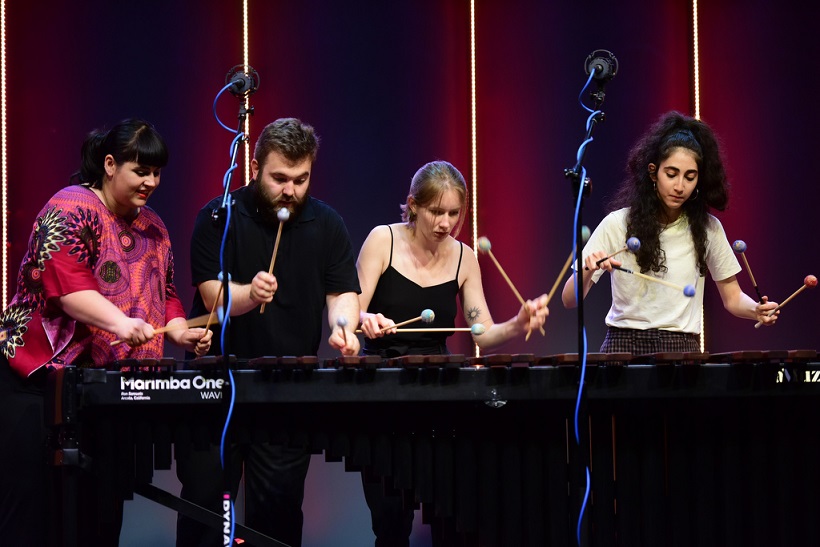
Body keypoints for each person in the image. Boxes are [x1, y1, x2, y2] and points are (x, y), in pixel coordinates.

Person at [0, 118, 212, 547]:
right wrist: (120, 323)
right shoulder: (70, 207)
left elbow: (165, 292)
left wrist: (178, 331)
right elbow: (66, 287)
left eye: (157, 173)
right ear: (110, 164)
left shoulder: (153, 227)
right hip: (37, 384)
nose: (151, 182)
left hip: (103, 394)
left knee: (99, 521)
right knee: (33, 519)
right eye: (141, 171)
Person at [176, 117, 361, 547]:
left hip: (285, 390)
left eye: (301, 179)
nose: (290, 191)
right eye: (279, 178)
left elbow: (342, 293)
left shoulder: (327, 224)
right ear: (255, 167)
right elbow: (213, 298)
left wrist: (343, 328)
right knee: (206, 513)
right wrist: (249, 293)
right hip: (214, 388)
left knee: (276, 519)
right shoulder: (218, 216)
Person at [356, 160, 549, 546]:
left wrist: (518, 323)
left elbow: (484, 332)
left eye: (454, 213)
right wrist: (366, 318)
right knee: (391, 521)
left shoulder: (464, 257)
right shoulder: (383, 240)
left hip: (438, 390)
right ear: (413, 205)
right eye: (436, 212)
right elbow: (352, 310)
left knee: (449, 514)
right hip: (382, 385)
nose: (445, 223)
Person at [562, 110, 779, 354]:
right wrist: (588, 269)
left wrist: (755, 310)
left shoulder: (708, 229)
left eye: (690, 177)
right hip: (622, 346)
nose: (680, 186)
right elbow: (569, 299)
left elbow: (733, 298)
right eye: (671, 174)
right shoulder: (617, 223)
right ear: (653, 172)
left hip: (682, 348)